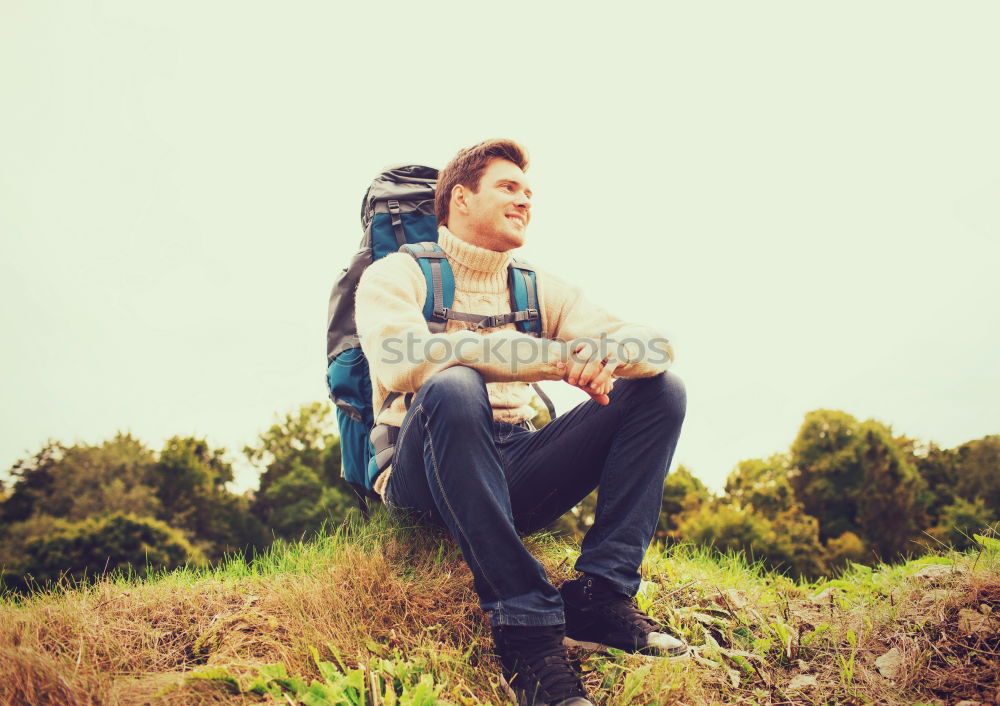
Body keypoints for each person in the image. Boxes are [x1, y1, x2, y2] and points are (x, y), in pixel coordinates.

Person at [354, 139, 687, 706]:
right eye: (508, 188)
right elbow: (402, 359)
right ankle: (527, 633)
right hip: (423, 476)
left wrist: (601, 357)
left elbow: (655, 346)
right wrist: (557, 359)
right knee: (454, 383)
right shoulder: (395, 275)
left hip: (512, 465)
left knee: (660, 390)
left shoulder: (535, 286)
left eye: (529, 193)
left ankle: (601, 597)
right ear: (460, 198)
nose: (524, 201)